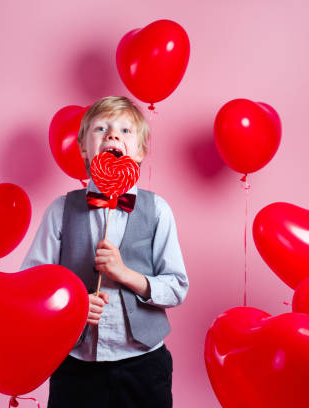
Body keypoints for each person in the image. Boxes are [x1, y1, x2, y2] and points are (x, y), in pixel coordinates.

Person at [20, 96, 188, 408]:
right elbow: (32, 287)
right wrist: (73, 306)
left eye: (125, 130)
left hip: (144, 364)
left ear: (139, 152)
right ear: (84, 147)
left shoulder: (158, 210)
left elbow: (177, 287)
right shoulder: (60, 210)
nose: (113, 135)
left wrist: (126, 274)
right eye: (101, 128)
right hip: (76, 365)